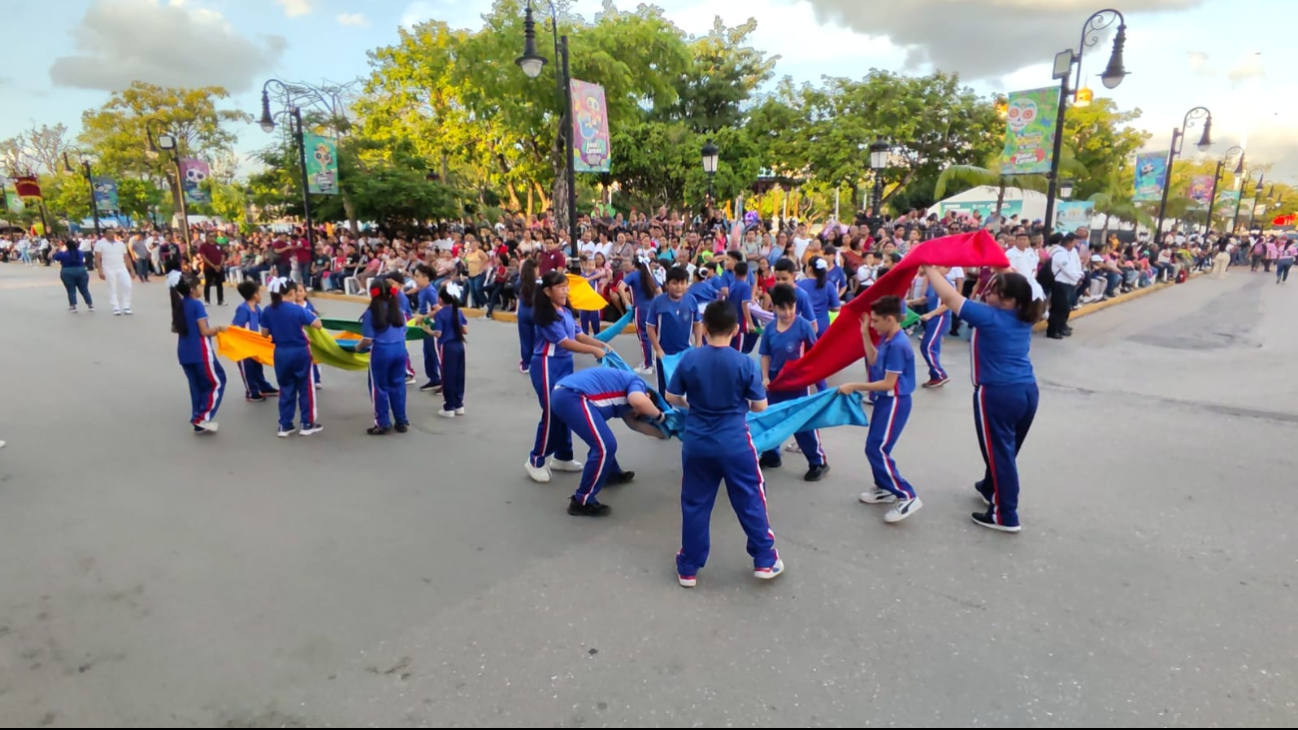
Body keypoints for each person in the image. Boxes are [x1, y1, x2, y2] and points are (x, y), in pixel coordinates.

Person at [666, 300, 782, 588]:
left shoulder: (690, 359)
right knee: (750, 498)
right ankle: (765, 559)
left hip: (697, 443)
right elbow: (760, 407)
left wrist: (690, 405)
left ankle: (689, 567)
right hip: (735, 443)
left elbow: (672, 397)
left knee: (695, 503)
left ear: (704, 329)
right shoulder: (744, 362)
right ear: (736, 329)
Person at [922, 267, 1041, 532]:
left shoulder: (991, 317)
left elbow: (950, 298)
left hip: (998, 393)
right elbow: (1016, 281)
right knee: (1006, 450)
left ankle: (1005, 515)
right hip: (1027, 391)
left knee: (1001, 454)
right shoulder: (1025, 313)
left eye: (995, 291)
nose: (988, 293)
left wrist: (928, 266)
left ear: (1008, 299)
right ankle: (990, 488)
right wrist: (1002, 269)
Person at [838, 296, 923, 524]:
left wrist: (854, 386)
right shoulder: (888, 337)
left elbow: (888, 383)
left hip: (895, 401)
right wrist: (865, 333)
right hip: (886, 401)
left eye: (876, 321)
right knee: (875, 446)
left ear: (890, 319)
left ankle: (907, 495)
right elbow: (874, 360)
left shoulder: (898, 344)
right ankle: (884, 487)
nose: (873, 324)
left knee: (877, 448)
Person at [525, 270, 611, 484]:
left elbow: (579, 335)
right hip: (546, 364)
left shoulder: (564, 311)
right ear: (547, 291)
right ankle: (535, 459)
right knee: (552, 411)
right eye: (561, 287)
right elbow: (565, 342)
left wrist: (600, 344)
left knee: (566, 409)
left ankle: (563, 456)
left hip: (564, 364)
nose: (566, 291)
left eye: (566, 287)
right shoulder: (545, 316)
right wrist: (593, 351)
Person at [551, 368, 664, 516]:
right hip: (573, 396)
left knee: (602, 440)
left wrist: (664, 434)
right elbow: (639, 401)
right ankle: (582, 501)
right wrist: (660, 417)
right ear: (648, 396)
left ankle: (611, 473)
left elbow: (634, 424)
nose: (635, 415)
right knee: (605, 446)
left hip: (568, 394)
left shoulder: (627, 398)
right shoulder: (638, 385)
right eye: (639, 413)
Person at [759, 284, 829, 481]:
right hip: (774, 382)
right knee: (772, 419)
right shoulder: (770, 329)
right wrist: (765, 377)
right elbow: (765, 355)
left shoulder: (803, 325)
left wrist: (814, 378)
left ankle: (818, 462)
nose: (788, 312)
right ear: (774, 308)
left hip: (797, 383)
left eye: (791, 307)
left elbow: (814, 354)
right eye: (782, 308)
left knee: (802, 422)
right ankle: (772, 455)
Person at [260, 278, 325, 438]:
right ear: (292, 293)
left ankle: (285, 424)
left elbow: (264, 333)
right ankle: (307, 423)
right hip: (300, 351)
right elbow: (318, 324)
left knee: (286, 388)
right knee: (305, 387)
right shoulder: (296, 309)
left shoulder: (268, 310)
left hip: (280, 353)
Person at [170, 272, 227, 434]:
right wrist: (219, 329)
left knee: (197, 386)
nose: (202, 288)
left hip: (184, 352)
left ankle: (198, 417)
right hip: (201, 352)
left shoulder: (179, 304)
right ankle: (202, 417)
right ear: (193, 289)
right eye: (200, 285)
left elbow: (177, 328)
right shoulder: (196, 305)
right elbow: (204, 330)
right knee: (217, 381)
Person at [357, 278, 412, 435]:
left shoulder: (371, 313)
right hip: (400, 350)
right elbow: (404, 331)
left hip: (381, 351)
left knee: (379, 387)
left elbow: (368, 339)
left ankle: (382, 422)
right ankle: (401, 421)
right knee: (398, 385)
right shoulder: (398, 311)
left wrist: (357, 347)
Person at [645, 266, 702, 395]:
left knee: (687, 386)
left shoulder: (691, 300)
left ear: (688, 284)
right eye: (674, 283)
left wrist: (698, 344)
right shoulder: (658, 302)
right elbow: (650, 328)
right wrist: (658, 349)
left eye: (682, 283)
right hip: (665, 354)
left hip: (686, 352)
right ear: (667, 284)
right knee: (665, 387)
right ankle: (666, 412)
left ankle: (684, 412)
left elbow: (698, 324)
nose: (679, 287)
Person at [231, 280, 280, 402]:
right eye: (259, 292)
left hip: (253, 344)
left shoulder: (256, 308)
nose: (261, 295)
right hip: (243, 345)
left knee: (257, 366)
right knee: (247, 369)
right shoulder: (243, 309)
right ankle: (251, 392)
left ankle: (263, 387)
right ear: (255, 295)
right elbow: (236, 326)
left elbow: (264, 322)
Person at [429, 283, 469, 418]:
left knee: (448, 376)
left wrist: (428, 330)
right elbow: (465, 330)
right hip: (459, 345)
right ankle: (459, 404)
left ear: (440, 299)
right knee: (459, 374)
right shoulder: (459, 311)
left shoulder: (440, 314)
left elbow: (438, 333)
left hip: (447, 347)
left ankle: (449, 406)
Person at [619, 257, 661, 373]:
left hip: (640, 309)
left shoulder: (633, 275)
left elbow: (620, 287)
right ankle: (654, 361)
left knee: (644, 337)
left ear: (634, 265)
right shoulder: (650, 276)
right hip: (654, 309)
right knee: (655, 336)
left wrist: (627, 302)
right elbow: (660, 292)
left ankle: (647, 365)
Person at [912, 266, 952, 388]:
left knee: (927, 346)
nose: (935, 268)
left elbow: (949, 303)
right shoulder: (933, 281)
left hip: (940, 317)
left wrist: (930, 314)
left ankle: (940, 374)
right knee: (933, 347)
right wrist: (909, 302)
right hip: (933, 317)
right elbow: (925, 299)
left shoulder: (946, 283)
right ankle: (934, 376)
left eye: (940, 266)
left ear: (948, 269)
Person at [412, 264, 443, 392]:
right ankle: (434, 379)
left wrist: (423, 317)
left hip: (432, 325)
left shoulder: (430, 291)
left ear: (426, 277)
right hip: (425, 325)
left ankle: (445, 382)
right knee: (428, 353)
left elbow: (438, 310)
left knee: (435, 353)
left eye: (417, 276)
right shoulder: (422, 290)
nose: (415, 278)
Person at [1047, 233, 1082, 339]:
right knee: (1058, 308)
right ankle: (1053, 330)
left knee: (1065, 308)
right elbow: (1069, 270)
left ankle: (1061, 327)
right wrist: (1079, 275)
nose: (1075, 245)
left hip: (1068, 283)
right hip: (1060, 284)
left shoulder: (1067, 253)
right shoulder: (1060, 254)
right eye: (1074, 242)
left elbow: (1074, 267)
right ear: (1070, 242)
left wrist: (1078, 275)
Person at [797, 257, 841, 336]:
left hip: (805, 325)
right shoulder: (829, 285)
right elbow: (836, 308)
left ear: (809, 268)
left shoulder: (799, 285)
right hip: (823, 325)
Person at [95, 231, 135, 315]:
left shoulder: (120, 243)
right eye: (109, 233)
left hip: (121, 267)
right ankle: (115, 306)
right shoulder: (100, 243)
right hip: (108, 268)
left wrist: (131, 269)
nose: (112, 234)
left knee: (128, 285)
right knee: (112, 287)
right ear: (105, 234)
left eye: (112, 233)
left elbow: (126, 257)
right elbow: (97, 258)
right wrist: (100, 270)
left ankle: (126, 306)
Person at [52, 240, 93, 313]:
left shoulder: (64, 254)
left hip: (67, 271)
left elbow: (51, 256)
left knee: (71, 290)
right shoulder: (80, 253)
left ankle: (73, 306)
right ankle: (90, 305)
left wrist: (54, 250)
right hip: (81, 270)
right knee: (84, 289)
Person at [516, 259, 538, 374]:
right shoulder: (539, 284)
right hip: (535, 311)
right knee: (536, 338)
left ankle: (525, 364)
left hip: (523, 312)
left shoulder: (519, 282)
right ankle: (536, 362)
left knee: (525, 339)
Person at [198, 233, 226, 306]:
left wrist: (220, 265)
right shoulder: (203, 246)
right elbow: (203, 256)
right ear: (207, 237)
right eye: (210, 236)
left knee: (219, 283)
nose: (212, 237)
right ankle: (207, 300)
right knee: (208, 283)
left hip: (218, 267)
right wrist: (213, 265)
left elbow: (222, 255)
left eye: (214, 236)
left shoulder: (218, 245)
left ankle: (220, 300)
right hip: (209, 267)